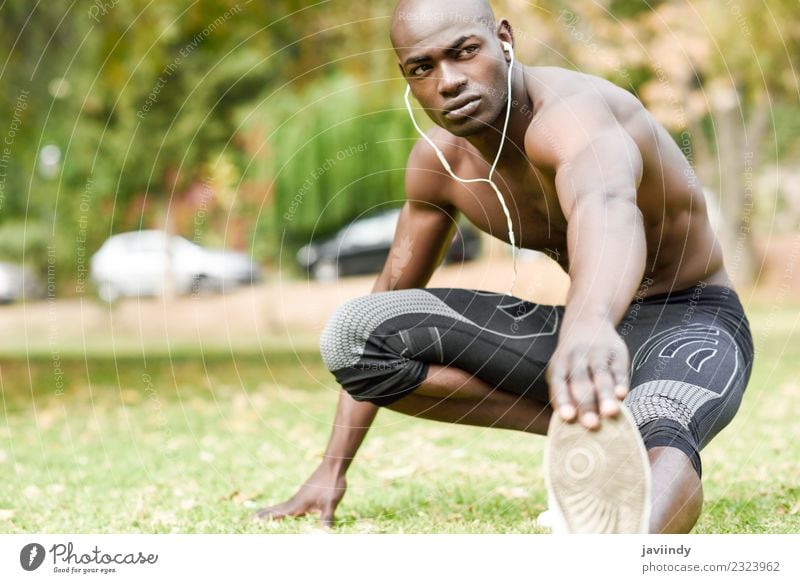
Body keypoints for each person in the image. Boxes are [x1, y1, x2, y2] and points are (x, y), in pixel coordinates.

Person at [254, 0, 753, 533]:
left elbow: (605, 208)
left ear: (504, 39)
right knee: (357, 334)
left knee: (666, 426)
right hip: (585, 326)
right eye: (422, 68)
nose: (448, 82)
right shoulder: (439, 166)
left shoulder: (574, 115)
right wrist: (331, 471)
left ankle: (625, 533)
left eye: (465, 52)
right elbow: (390, 289)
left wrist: (589, 325)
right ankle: (597, 432)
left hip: (693, 316)